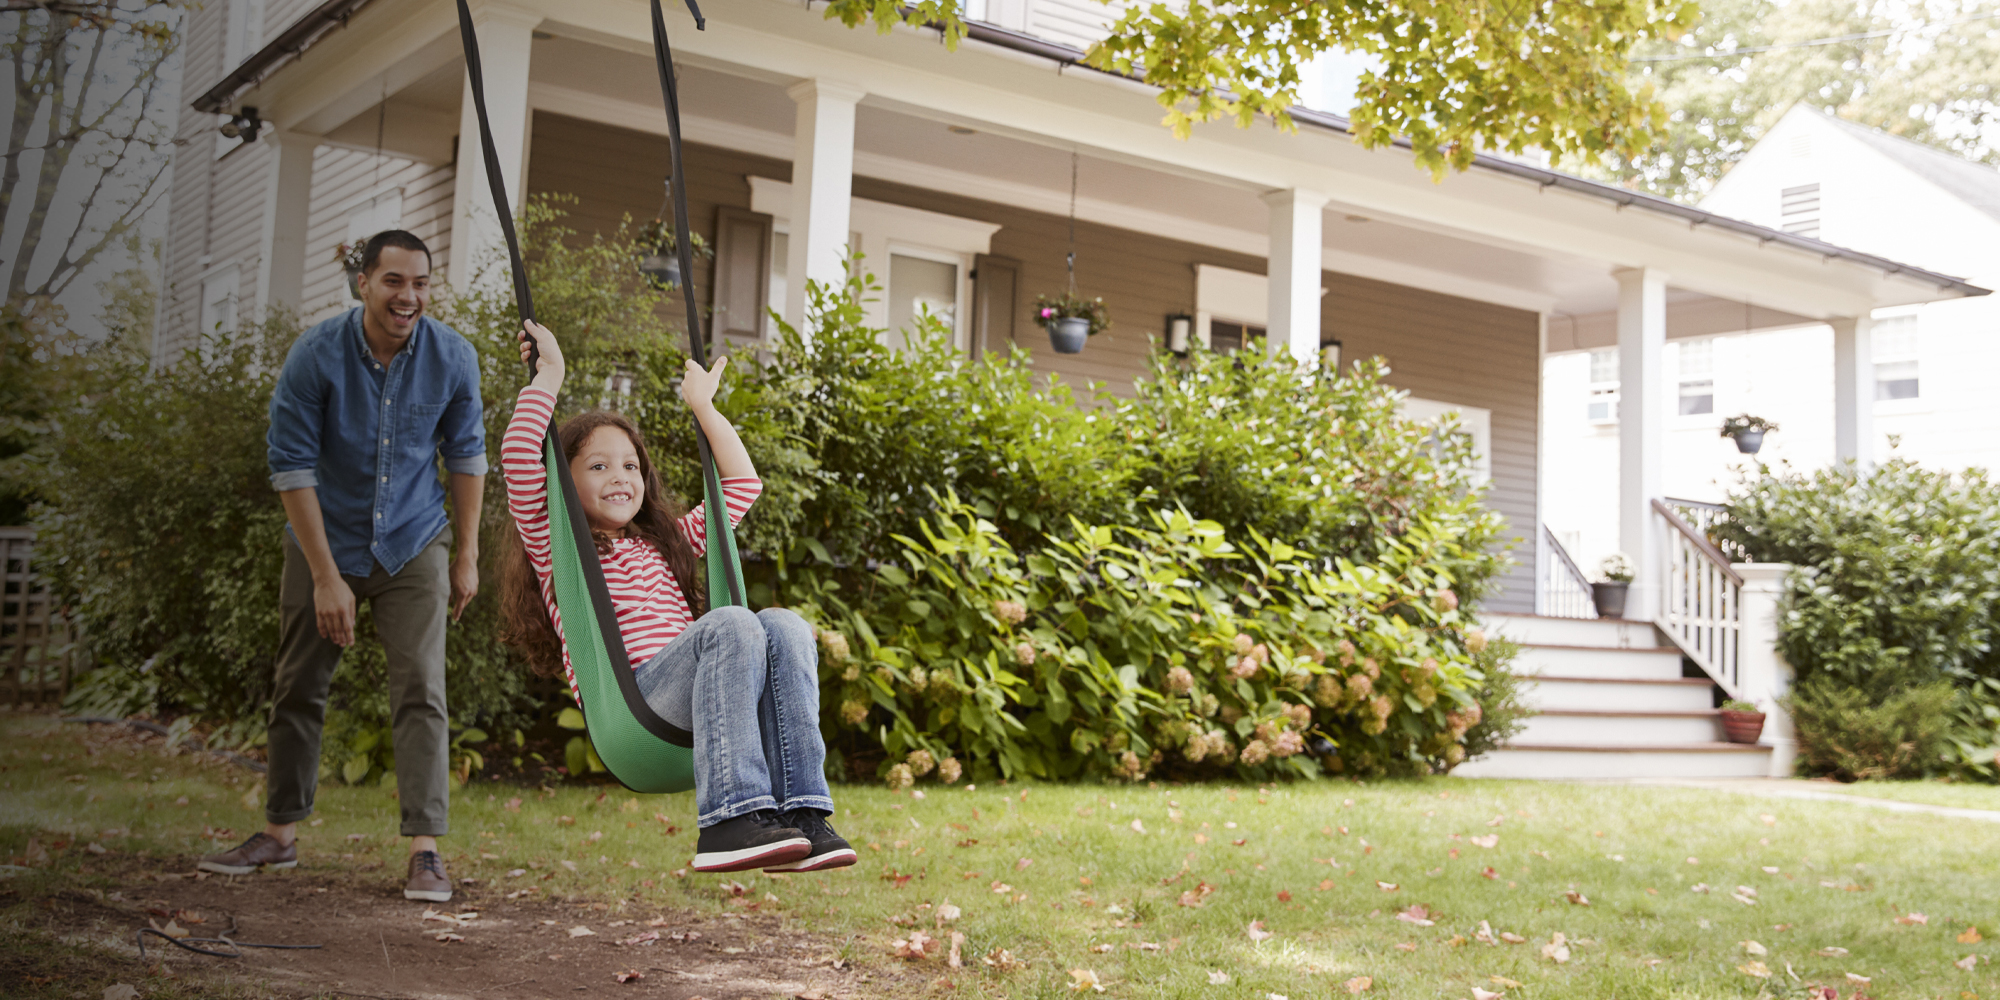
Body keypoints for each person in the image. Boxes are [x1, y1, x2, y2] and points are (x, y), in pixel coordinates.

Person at [498, 320, 852, 874]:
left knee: (783, 623)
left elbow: (741, 486)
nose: (620, 477)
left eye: (630, 465)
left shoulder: (667, 542)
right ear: (564, 483)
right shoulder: (558, 547)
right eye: (598, 466)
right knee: (734, 622)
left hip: (711, 699)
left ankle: (804, 812)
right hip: (635, 708)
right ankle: (727, 821)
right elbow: (520, 459)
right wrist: (549, 376)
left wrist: (704, 407)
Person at [199, 230, 488, 904]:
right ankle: (279, 834)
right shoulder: (316, 354)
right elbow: (291, 466)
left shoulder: (453, 358)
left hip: (414, 543)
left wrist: (467, 554)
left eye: (420, 282)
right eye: (394, 281)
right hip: (323, 538)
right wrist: (325, 575)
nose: (408, 296)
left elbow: (467, 455)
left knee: (421, 687)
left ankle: (425, 851)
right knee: (299, 684)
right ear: (363, 282)